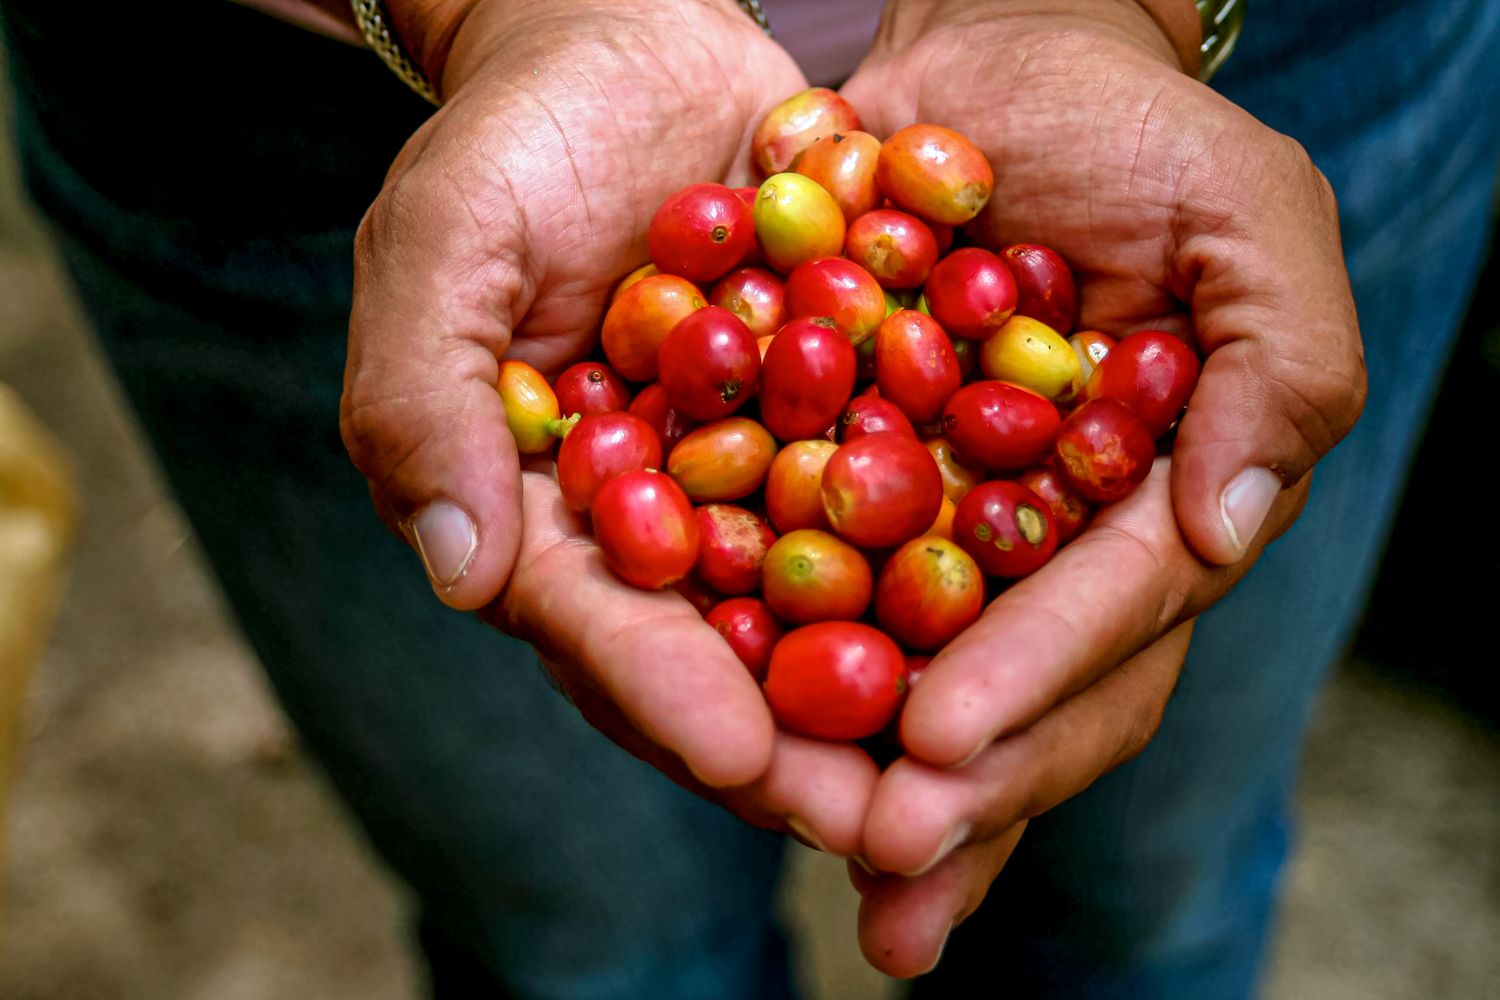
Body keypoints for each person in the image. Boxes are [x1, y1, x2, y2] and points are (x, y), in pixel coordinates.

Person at [2, 0, 1495, 995]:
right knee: (585, 949)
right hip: (287, 106)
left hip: (1280, 43)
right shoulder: (828, 395)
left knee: (1153, 905)